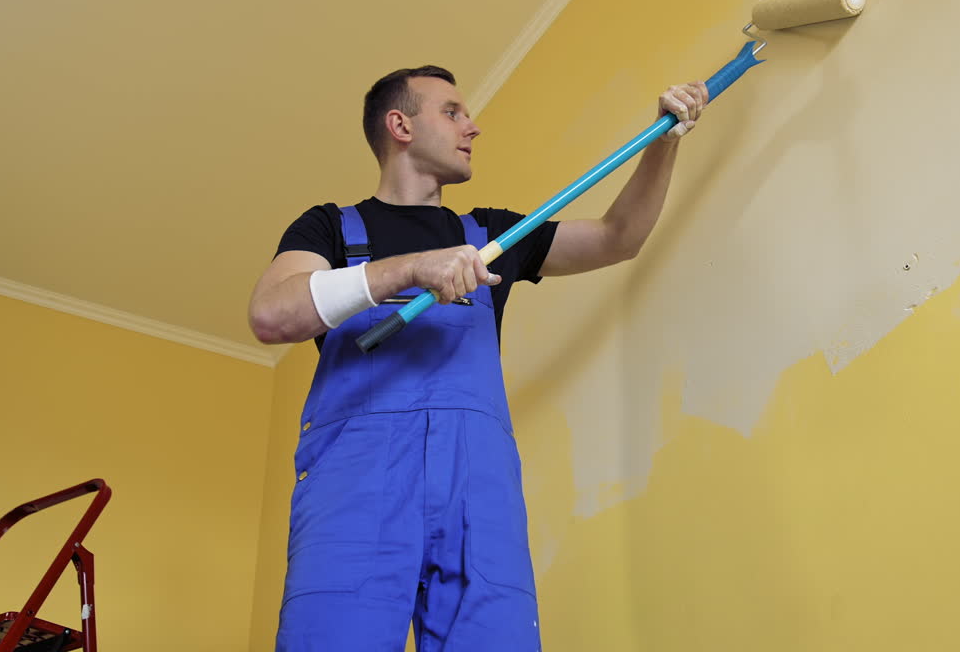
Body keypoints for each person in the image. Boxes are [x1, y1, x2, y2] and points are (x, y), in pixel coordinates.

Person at [248, 64, 706, 651]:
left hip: (476, 494)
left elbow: (619, 237)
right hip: (354, 490)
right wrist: (412, 268)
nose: (474, 127)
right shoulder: (331, 228)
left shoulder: (493, 236)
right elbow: (272, 314)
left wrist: (665, 140)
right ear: (400, 126)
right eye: (452, 112)